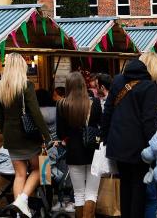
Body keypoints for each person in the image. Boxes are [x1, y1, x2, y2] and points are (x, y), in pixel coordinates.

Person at [101, 51, 157, 218]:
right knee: (139, 191)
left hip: (118, 144)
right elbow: (148, 121)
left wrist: (105, 138)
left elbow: (108, 111)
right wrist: (156, 148)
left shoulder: (118, 80)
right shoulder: (149, 87)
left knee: (125, 188)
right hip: (139, 147)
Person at [0, 53, 54, 216]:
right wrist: (47, 136)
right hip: (27, 137)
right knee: (38, 170)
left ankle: (18, 213)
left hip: (11, 138)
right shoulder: (26, 86)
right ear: (21, 67)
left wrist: (5, 133)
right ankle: (22, 200)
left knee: (20, 174)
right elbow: (35, 113)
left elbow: (0, 117)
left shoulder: (0, 87)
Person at [55, 71, 102, 218]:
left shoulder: (62, 104)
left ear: (68, 86)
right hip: (93, 151)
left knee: (79, 193)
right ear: (83, 85)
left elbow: (60, 132)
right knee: (92, 193)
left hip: (74, 152)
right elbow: (101, 125)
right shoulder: (94, 103)